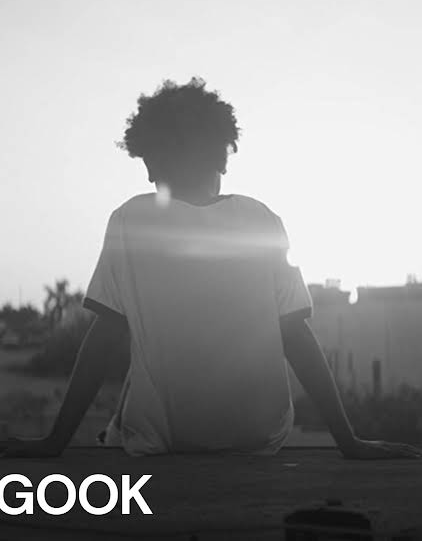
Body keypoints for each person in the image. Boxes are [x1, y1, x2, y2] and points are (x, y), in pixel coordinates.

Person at [2, 78, 421, 459]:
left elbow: (104, 336)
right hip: (258, 434)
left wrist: (54, 442)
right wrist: (348, 441)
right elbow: (296, 335)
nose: (146, 176)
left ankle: (112, 433)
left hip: (166, 437)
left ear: (154, 162)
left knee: (137, 367)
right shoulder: (262, 220)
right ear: (223, 155)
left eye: (147, 161)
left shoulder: (130, 220)